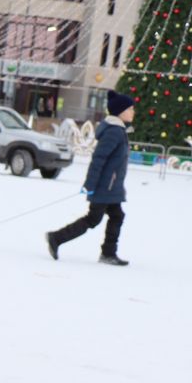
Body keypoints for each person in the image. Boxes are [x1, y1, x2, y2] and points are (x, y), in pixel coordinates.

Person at [47, 90, 136, 266]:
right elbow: (98, 159)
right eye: (130, 109)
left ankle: (108, 253)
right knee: (94, 219)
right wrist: (90, 184)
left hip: (111, 186)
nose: (133, 112)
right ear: (120, 111)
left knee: (116, 216)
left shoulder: (118, 130)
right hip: (105, 187)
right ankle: (56, 238)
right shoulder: (114, 132)